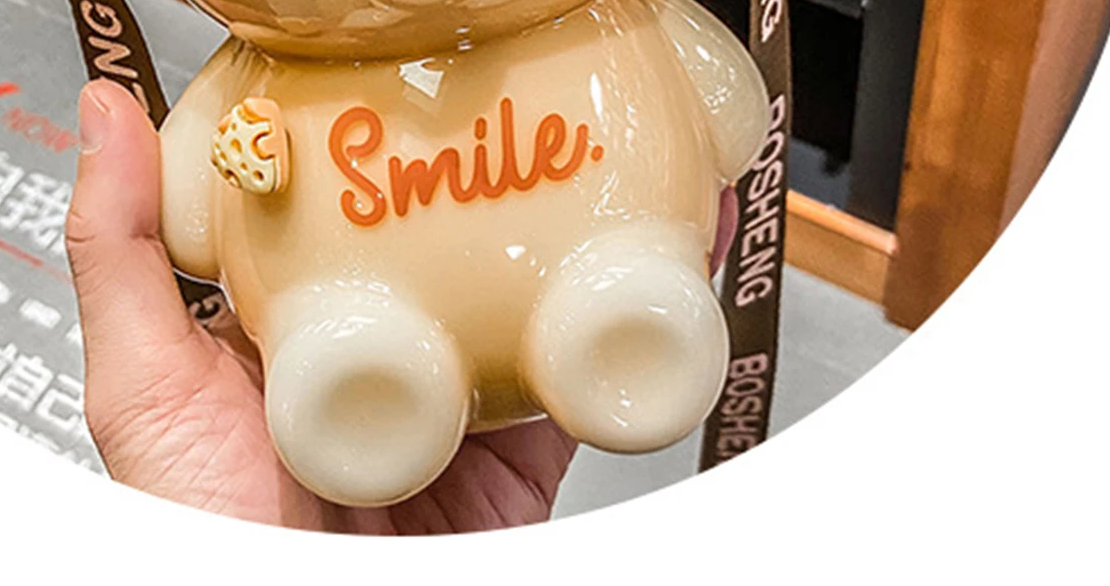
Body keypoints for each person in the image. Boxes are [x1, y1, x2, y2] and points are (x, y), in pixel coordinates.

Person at [65, 77, 736, 531]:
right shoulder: (256, 71)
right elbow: (188, 215)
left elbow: (732, 108)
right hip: (342, 301)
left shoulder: (614, 9)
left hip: (605, 247)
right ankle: (357, 374)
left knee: (620, 284)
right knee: (344, 339)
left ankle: (621, 309)